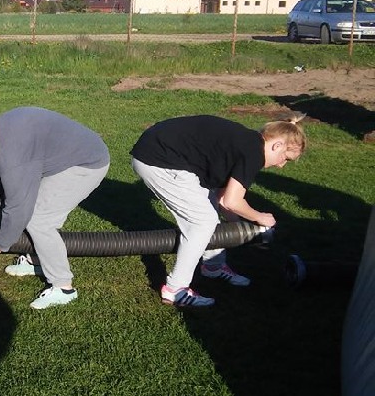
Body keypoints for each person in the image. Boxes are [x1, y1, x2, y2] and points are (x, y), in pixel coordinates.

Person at [0, 97, 110, 309]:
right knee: (33, 210)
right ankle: (37, 260)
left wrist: (0, 243)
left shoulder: (12, 151)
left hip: (87, 162)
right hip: (64, 158)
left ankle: (63, 287)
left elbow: (18, 207)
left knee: (39, 219)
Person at [130, 114, 307, 307]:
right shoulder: (253, 153)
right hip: (157, 159)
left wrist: (244, 230)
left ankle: (213, 266)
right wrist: (260, 217)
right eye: (286, 158)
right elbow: (232, 201)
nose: (281, 165)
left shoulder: (247, 144)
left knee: (209, 209)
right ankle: (175, 290)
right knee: (202, 222)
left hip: (162, 154)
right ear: (277, 145)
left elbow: (222, 200)